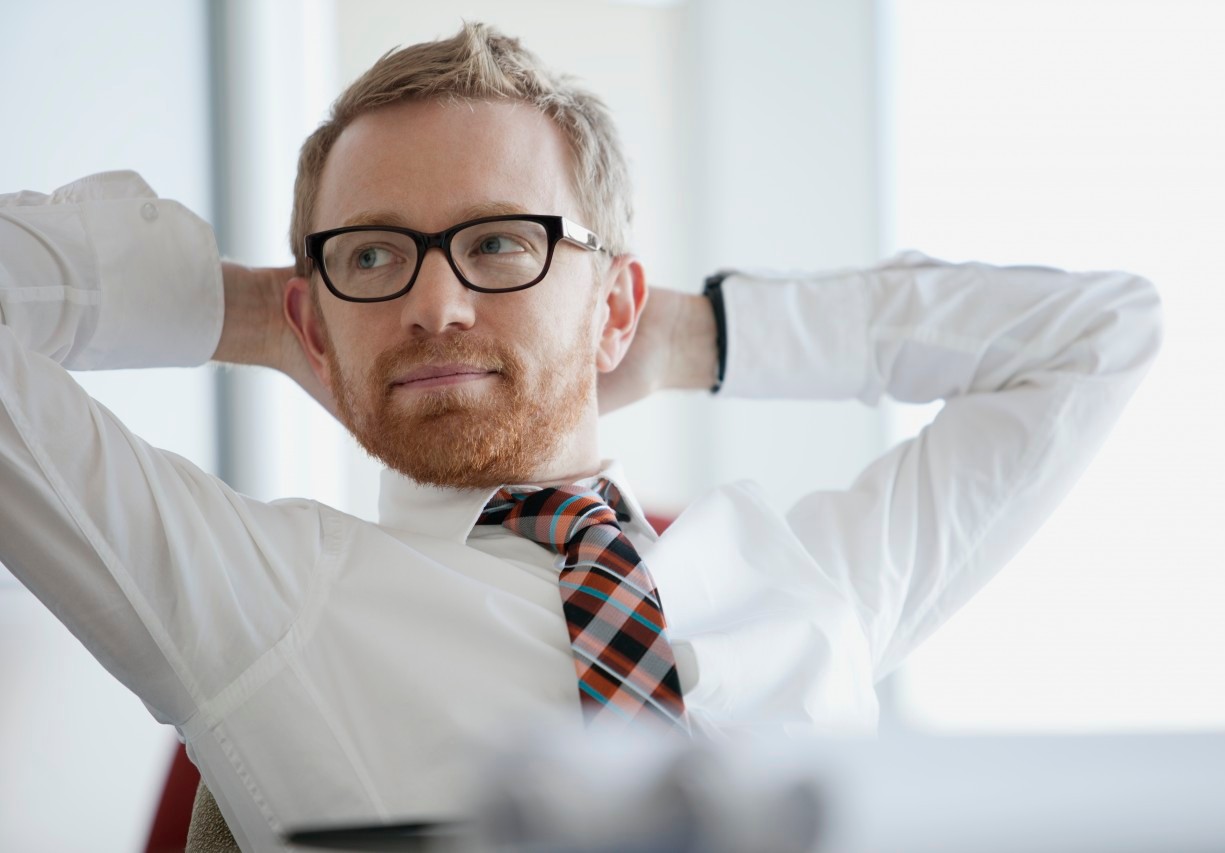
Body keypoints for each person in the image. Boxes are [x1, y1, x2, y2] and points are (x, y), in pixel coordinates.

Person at [0, 21, 1160, 853]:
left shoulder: (809, 579)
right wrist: (254, 314)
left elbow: (1100, 334)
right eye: (372, 254)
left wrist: (705, 336)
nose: (434, 304)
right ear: (316, 314)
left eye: (498, 242)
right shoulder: (251, 597)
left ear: (612, 303)